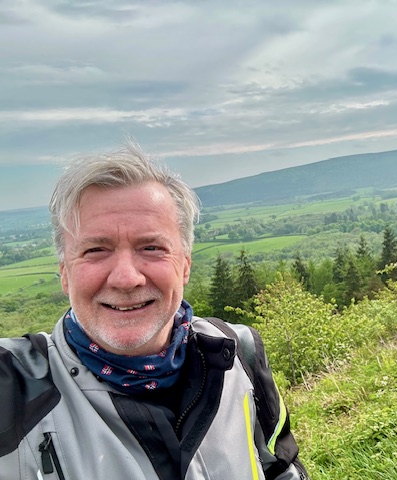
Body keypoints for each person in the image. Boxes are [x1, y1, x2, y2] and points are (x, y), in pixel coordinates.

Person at [0, 143, 308, 479]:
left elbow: (281, 468)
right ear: (64, 273)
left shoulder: (237, 352)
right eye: (96, 250)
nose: (126, 278)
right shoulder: (15, 387)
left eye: (151, 247)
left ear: (185, 266)